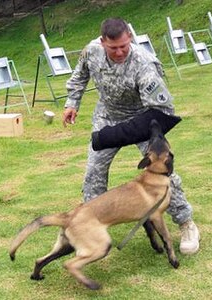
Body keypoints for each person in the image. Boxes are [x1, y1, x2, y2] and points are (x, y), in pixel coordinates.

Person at [62, 18, 200, 254]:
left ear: (130, 38)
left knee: (164, 172)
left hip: (143, 119)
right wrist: (72, 102)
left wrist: (121, 134)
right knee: (93, 174)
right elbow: (80, 75)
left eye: (124, 46)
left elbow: (163, 112)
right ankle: (87, 228)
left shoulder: (144, 64)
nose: (119, 52)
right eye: (113, 47)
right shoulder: (91, 51)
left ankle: (186, 223)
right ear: (102, 41)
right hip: (107, 115)